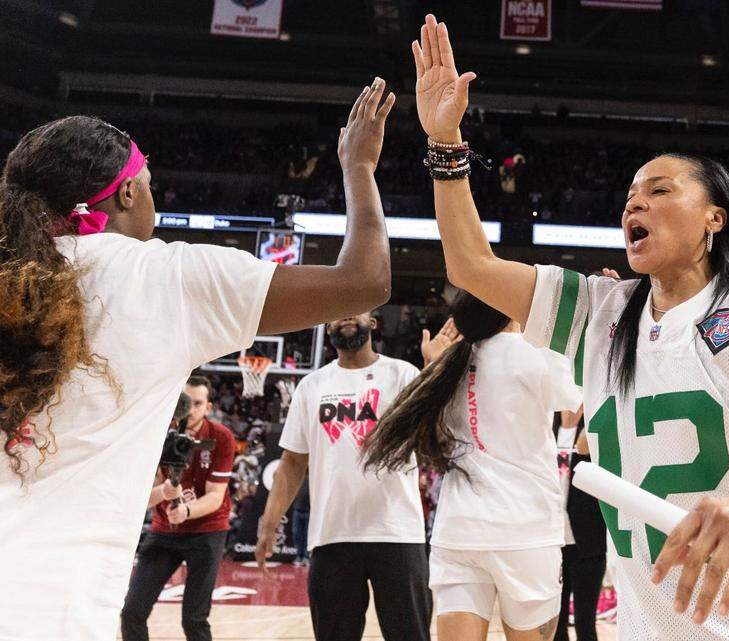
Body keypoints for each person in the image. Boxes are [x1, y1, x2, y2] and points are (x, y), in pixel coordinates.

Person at [409, 15, 729, 640]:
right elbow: (470, 266)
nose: (633, 204)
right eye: (630, 196)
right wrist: (446, 142)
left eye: (659, 190)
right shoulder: (599, 311)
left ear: (714, 218)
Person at [0, 77, 397, 641]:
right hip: (51, 606)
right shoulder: (162, 276)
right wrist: (358, 167)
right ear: (128, 195)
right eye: (149, 184)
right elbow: (365, 281)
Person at [361, 293, 582, 641]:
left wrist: (431, 365)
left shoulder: (449, 363)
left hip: (459, 531)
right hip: (525, 531)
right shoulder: (534, 353)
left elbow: (431, 437)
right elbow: (572, 401)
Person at [254, 311, 431, 641]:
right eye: (335, 314)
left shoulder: (402, 374)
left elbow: (431, 436)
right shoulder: (312, 385)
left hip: (397, 531)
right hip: (332, 533)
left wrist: (434, 371)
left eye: (357, 307)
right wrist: (268, 522)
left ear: (374, 322)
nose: (345, 315)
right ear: (326, 328)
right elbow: (292, 463)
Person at [120, 377, 237, 641]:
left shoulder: (221, 437)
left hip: (207, 531)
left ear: (208, 407)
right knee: (132, 612)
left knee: (194, 620)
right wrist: (163, 492)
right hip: (164, 531)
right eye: (186, 403)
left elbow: (216, 496)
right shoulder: (157, 434)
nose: (191, 410)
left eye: (198, 403)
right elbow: (141, 499)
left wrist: (186, 511)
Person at [554, 408, 609, 641]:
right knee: (556, 625)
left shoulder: (594, 425)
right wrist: (565, 432)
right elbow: (553, 479)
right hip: (554, 542)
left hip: (588, 542)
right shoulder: (550, 424)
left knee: (586, 624)